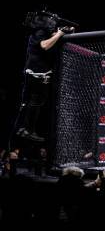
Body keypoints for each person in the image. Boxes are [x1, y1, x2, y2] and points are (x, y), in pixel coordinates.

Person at [17, 13, 74, 142]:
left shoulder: (41, 31)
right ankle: (27, 129)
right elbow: (44, 45)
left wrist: (63, 31)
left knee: (32, 102)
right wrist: (59, 34)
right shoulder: (40, 32)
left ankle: (24, 128)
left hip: (35, 71)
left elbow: (51, 38)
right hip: (38, 73)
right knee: (35, 102)